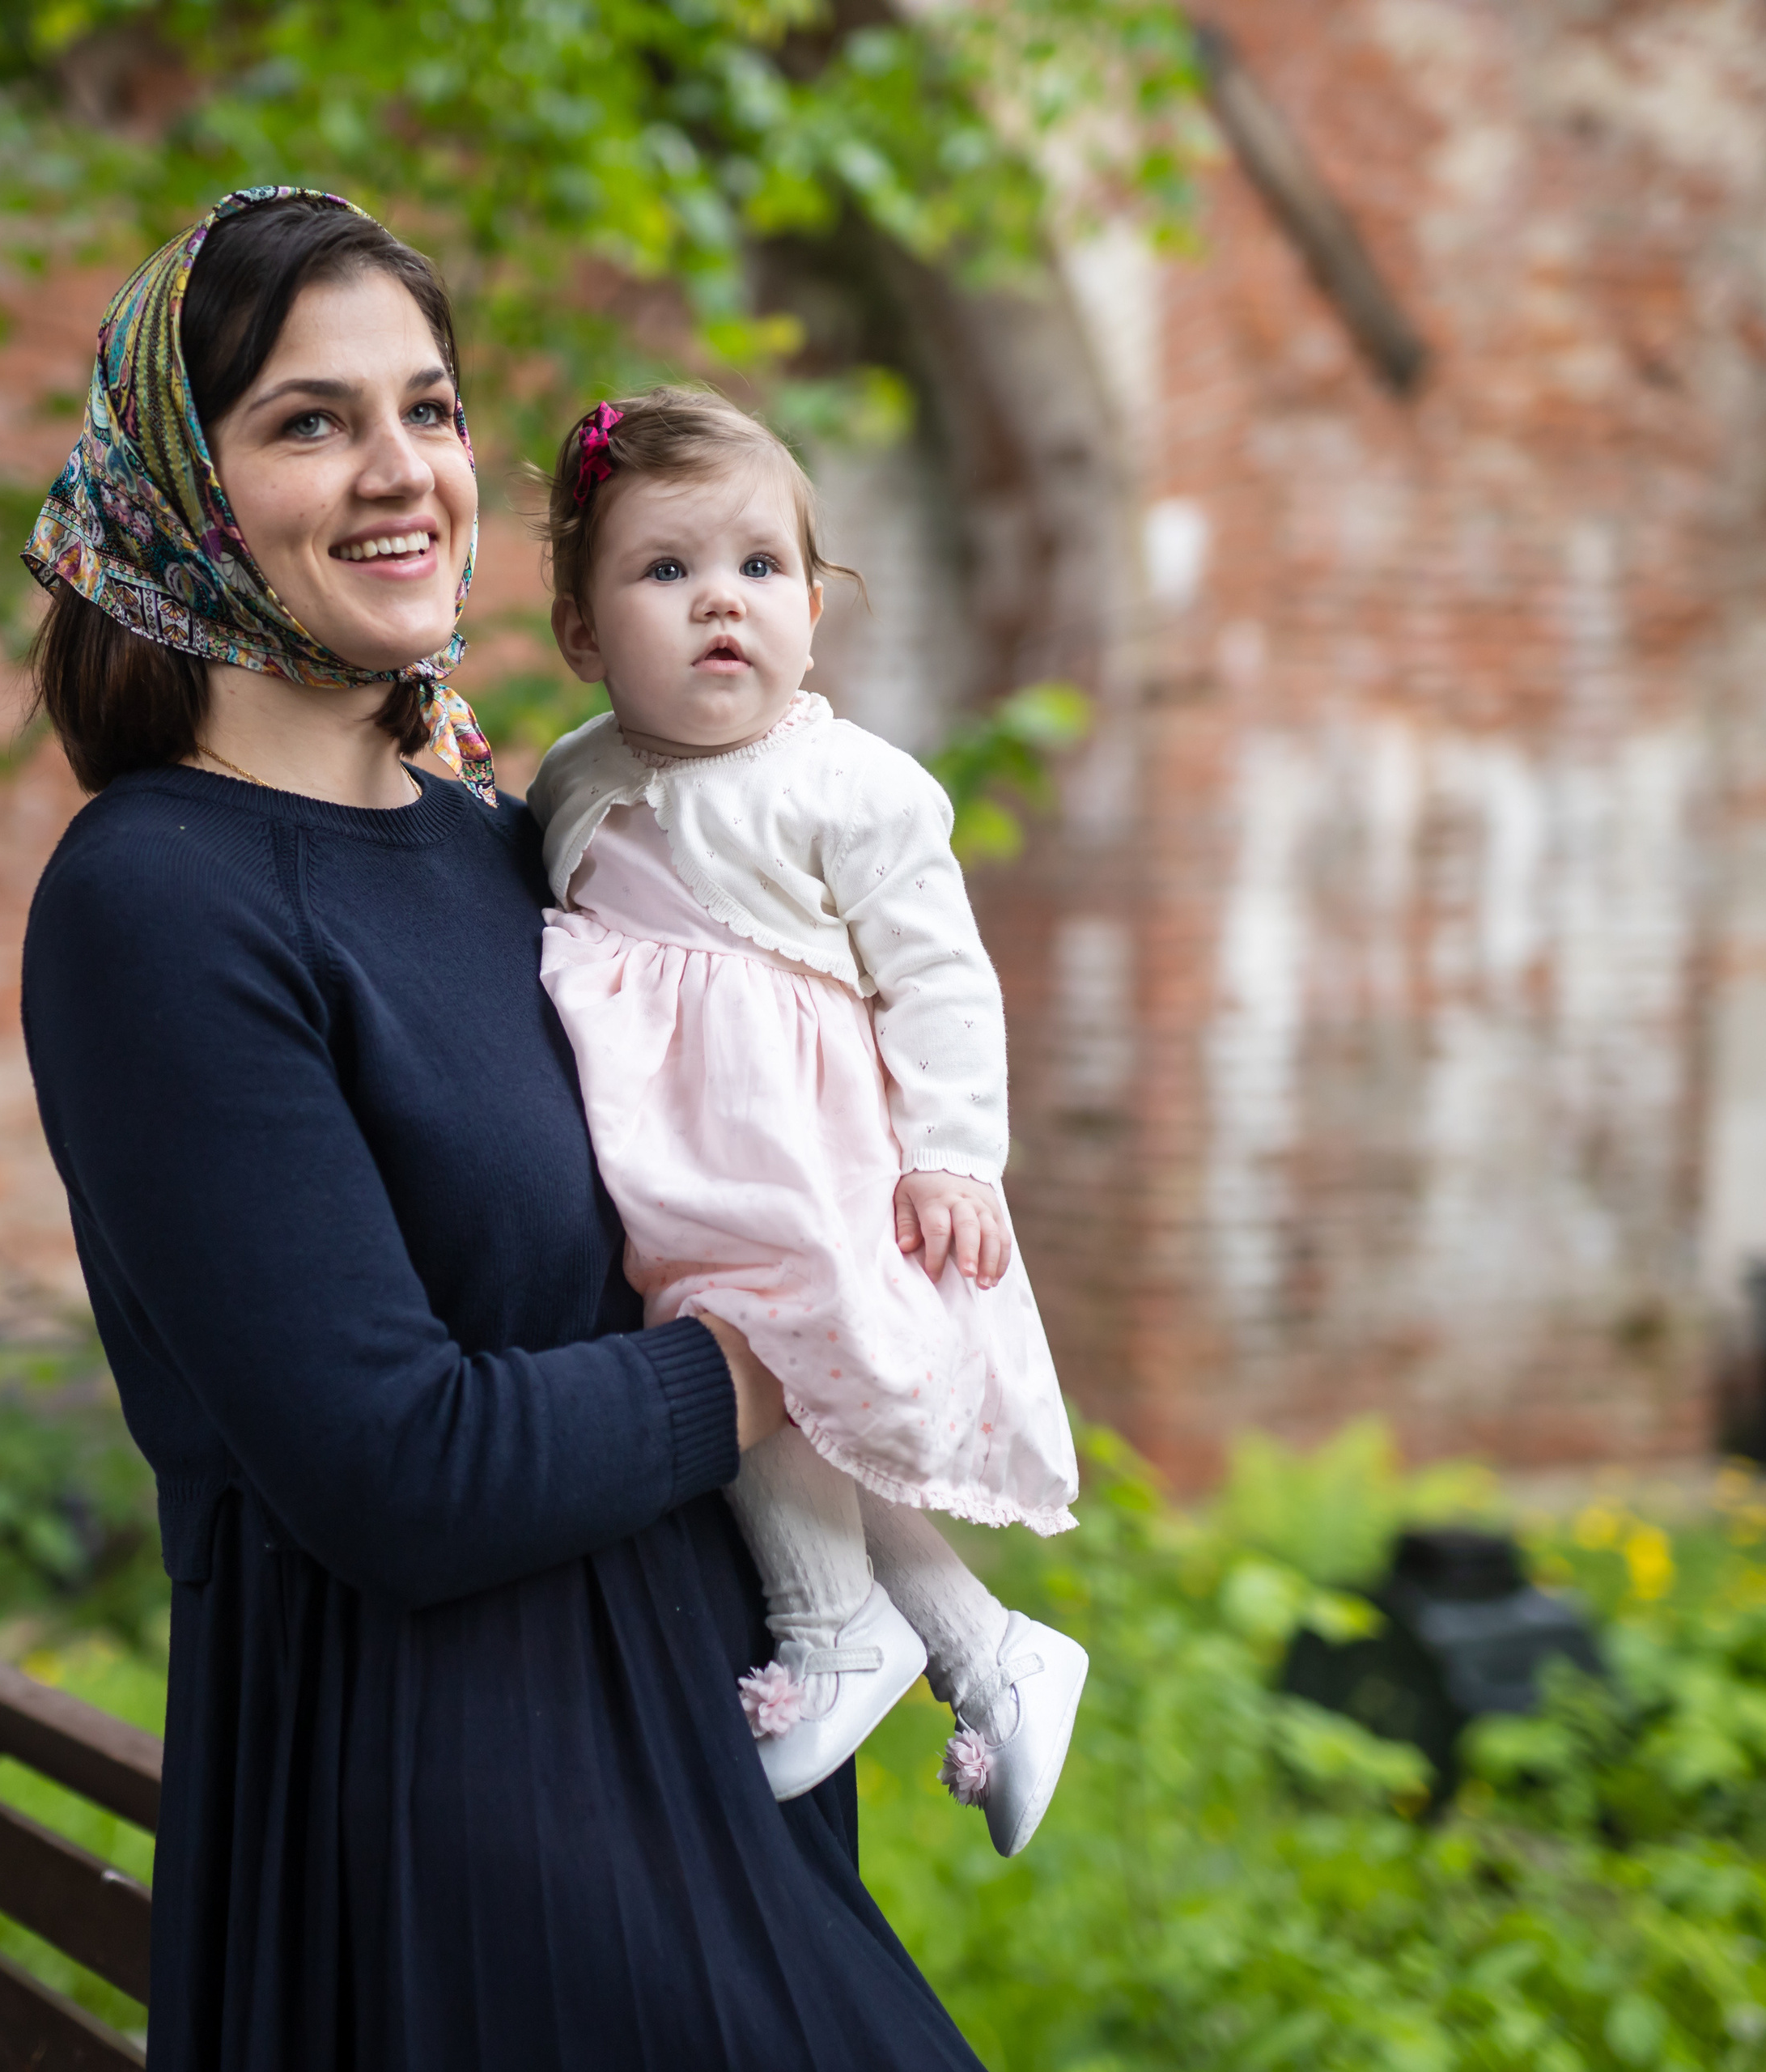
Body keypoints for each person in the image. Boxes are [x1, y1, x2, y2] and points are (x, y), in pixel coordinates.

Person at [19, 188, 988, 2070]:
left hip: (704, 1746)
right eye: (310, 420)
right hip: (449, 1816)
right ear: (176, 485)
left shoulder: (509, 841)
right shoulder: (158, 896)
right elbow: (402, 1463)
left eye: (433, 409)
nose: (402, 474)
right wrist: (796, 1335)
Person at [528, 388, 1088, 1859]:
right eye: (666, 572)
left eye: (760, 569)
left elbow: (941, 979)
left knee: (755, 1357)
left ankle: (833, 1620)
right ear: (584, 635)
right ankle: (985, 1649)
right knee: (785, 1400)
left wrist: (957, 1153)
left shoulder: (849, 785)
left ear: (817, 611)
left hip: (801, 1149)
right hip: (673, 1155)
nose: (722, 601)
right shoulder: (573, 782)